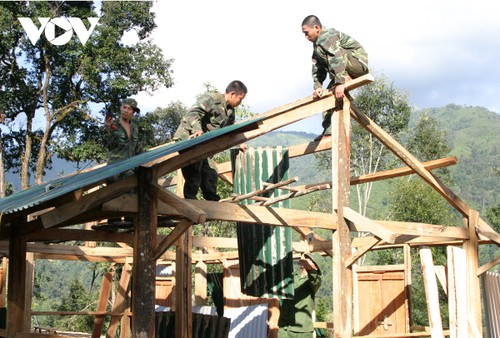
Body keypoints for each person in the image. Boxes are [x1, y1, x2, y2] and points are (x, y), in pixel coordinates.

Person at [173, 80, 248, 201]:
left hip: (204, 146)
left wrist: (239, 142)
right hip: (189, 138)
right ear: (232, 94)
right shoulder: (211, 99)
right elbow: (192, 113)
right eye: (241, 98)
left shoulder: (230, 111)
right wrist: (197, 130)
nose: (240, 102)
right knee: (194, 173)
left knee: (210, 174)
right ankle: (191, 203)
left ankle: (212, 203)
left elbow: (230, 130)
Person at [301, 15, 369, 138]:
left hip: (357, 63)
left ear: (316, 27)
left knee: (335, 54)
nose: (306, 37)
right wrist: (318, 86)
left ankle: (345, 77)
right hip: (342, 70)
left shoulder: (328, 37)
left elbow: (336, 57)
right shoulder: (317, 44)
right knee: (329, 97)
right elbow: (317, 67)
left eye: (306, 33)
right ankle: (329, 131)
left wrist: (339, 83)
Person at [278, 253, 323, 338]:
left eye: (310, 260)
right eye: (306, 258)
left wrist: (310, 269)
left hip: (302, 330)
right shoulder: (291, 276)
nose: (306, 260)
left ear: (316, 267)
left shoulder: (316, 281)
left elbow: (314, 280)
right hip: (285, 327)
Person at [104, 97, 142, 165]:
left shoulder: (134, 127)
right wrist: (108, 129)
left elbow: (137, 148)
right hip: (115, 166)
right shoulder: (113, 124)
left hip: (130, 165)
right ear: (120, 108)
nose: (126, 111)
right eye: (124, 107)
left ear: (133, 112)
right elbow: (110, 146)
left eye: (129, 109)